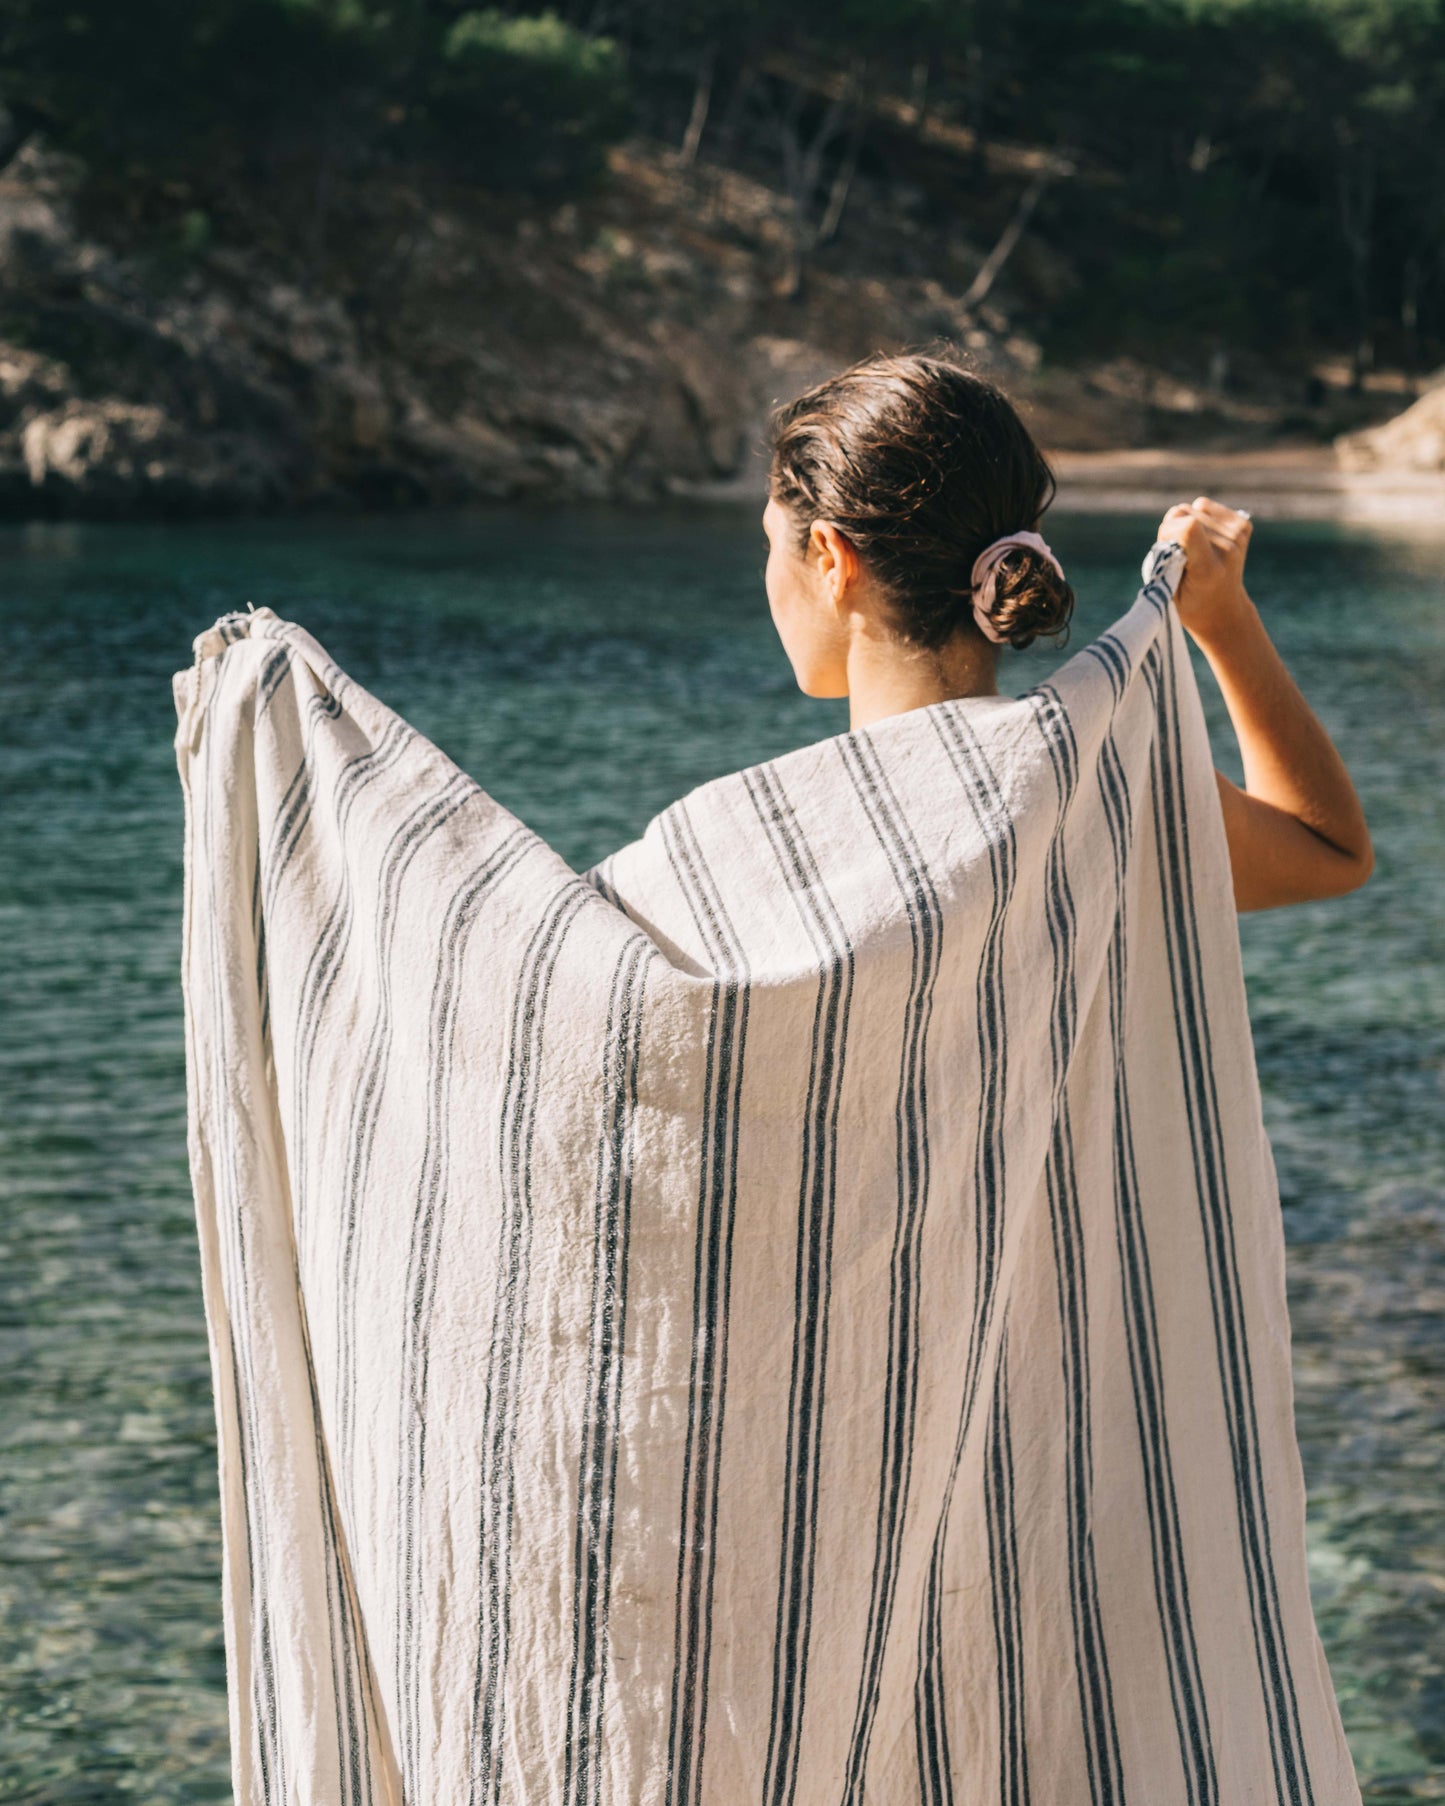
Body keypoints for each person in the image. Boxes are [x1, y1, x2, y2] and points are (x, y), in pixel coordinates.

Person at [762, 350, 1374, 912]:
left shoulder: (764, 846)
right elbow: (1331, 852)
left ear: (830, 560)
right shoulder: (1107, 789)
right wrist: (1225, 620)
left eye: (769, 541)